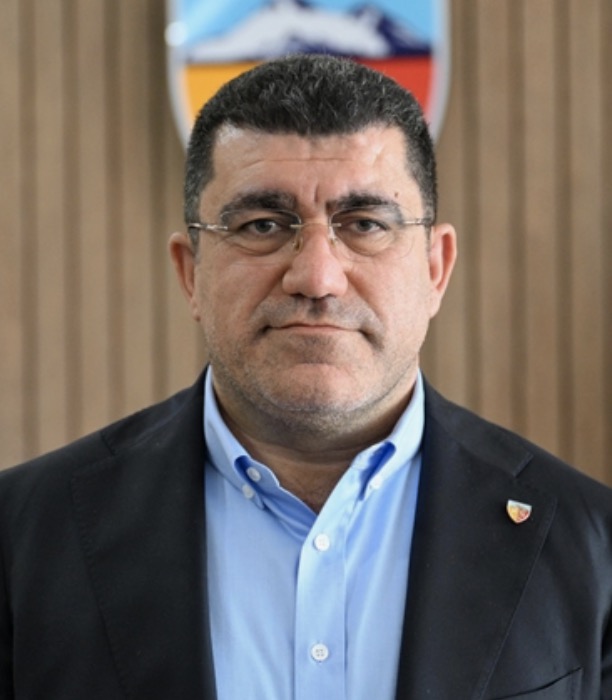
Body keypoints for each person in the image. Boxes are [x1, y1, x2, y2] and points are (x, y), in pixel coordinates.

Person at [0, 54, 610, 700]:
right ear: (190, 272)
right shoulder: (22, 538)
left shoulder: (591, 545)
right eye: (262, 226)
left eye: (365, 225)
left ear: (436, 268)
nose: (317, 278)